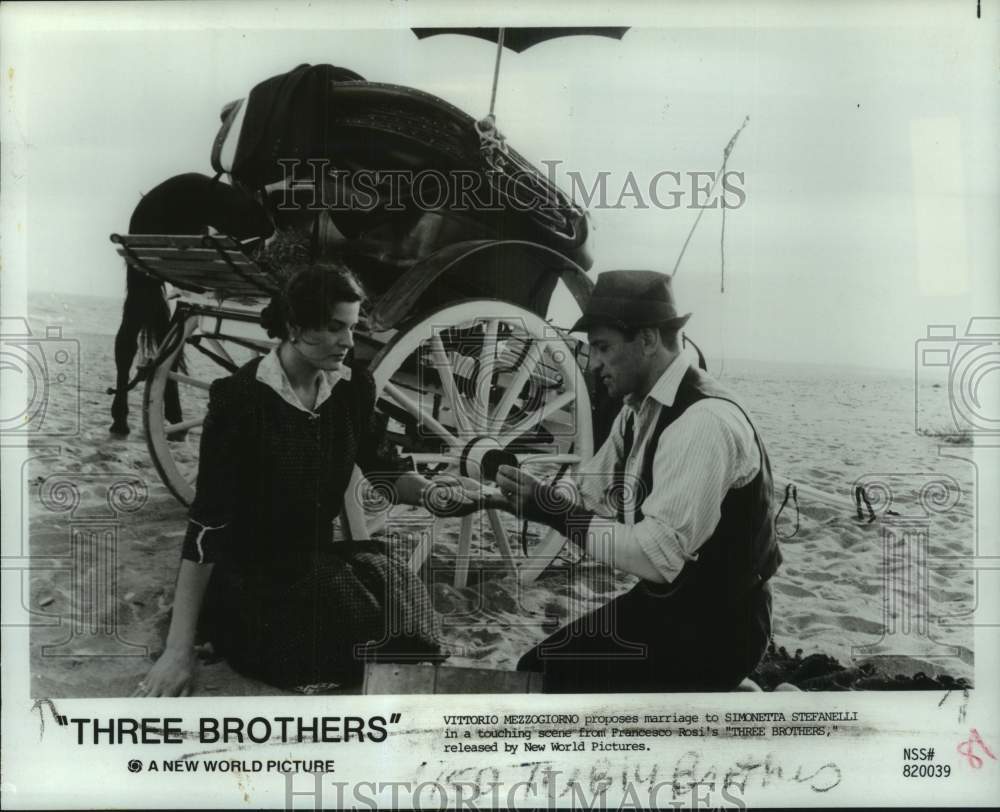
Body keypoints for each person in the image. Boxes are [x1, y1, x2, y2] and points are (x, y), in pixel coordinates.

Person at [135, 263, 481, 696]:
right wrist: (177, 650)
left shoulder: (353, 388)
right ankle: (228, 630)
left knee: (410, 625)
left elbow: (386, 475)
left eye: (352, 327)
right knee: (351, 641)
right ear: (296, 326)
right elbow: (207, 526)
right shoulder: (240, 399)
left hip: (320, 560)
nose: (349, 342)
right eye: (336, 328)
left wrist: (437, 492)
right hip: (252, 572)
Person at [496, 270, 782, 692]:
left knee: (554, 685)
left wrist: (550, 509)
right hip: (669, 608)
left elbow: (656, 557)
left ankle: (735, 694)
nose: (593, 364)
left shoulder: (703, 422)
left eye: (603, 348)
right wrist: (494, 496)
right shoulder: (638, 411)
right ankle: (729, 696)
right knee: (535, 670)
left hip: (721, 631)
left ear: (648, 341)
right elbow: (587, 492)